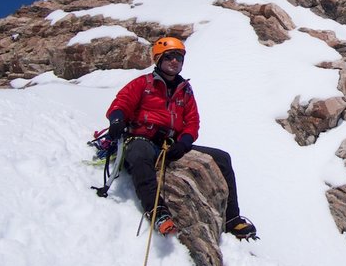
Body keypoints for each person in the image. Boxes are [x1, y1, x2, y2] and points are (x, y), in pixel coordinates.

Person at [105, 36, 256, 239]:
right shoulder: (143, 84)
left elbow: (192, 123)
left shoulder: (184, 91)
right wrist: (117, 121)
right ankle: (157, 212)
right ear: (158, 59)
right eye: (169, 57)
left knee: (222, 158)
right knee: (140, 155)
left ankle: (231, 219)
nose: (175, 61)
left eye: (178, 57)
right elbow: (121, 104)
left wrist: (184, 143)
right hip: (142, 139)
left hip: (170, 145)